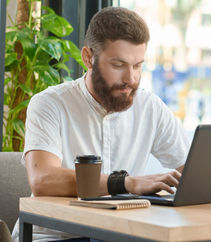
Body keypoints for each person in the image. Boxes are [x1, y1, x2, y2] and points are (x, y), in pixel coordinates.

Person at [12, 7, 190, 242]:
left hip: (117, 235)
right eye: (118, 65)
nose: (131, 79)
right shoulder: (49, 104)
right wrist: (126, 184)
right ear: (88, 58)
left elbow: (188, 168)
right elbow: (43, 179)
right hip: (55, 237)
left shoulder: (150, 107)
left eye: (138, 65)